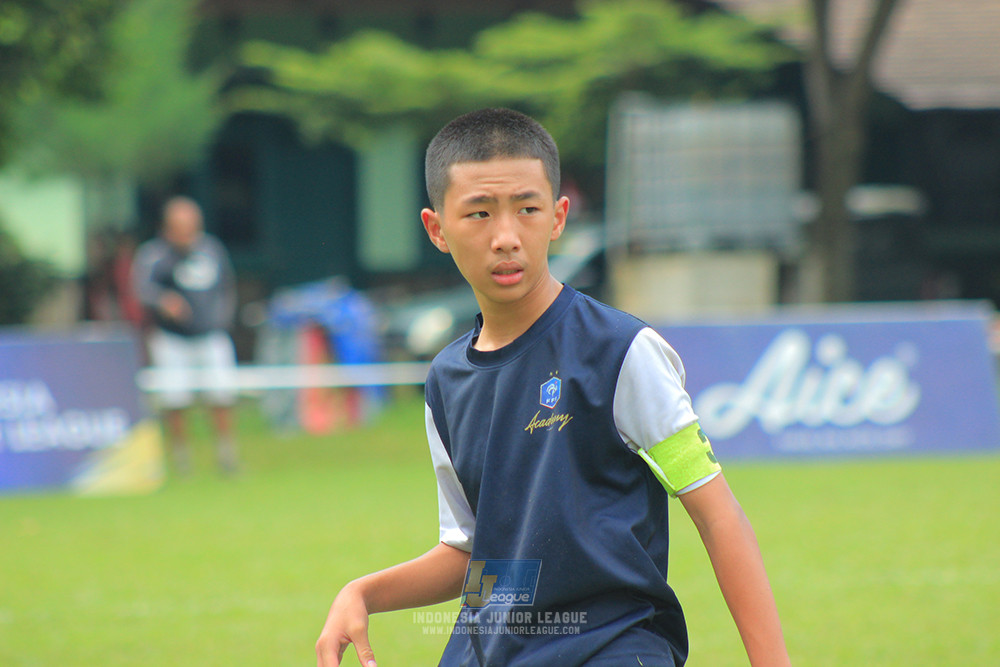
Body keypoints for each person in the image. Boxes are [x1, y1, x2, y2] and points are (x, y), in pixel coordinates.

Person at [315, 109, 790, 666]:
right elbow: (477, 553)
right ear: (437, 229)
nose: (506, 237)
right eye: (479, 214)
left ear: (559, 217)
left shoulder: (621, 352)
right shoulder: (446, 381)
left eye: (528, 209)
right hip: (486, 649)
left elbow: (718, 515)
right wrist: (362, 592)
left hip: (611, 647)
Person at [132, 196, 240, 475]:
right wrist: (163, 301)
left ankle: (227, 457)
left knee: (221, 395)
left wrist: (220, 319)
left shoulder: (211, 249)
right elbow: (141, 288)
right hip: (172, 339)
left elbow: (227, 287)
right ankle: (182, 461)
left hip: (210, 335)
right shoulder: (154, 254)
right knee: (174, 399)